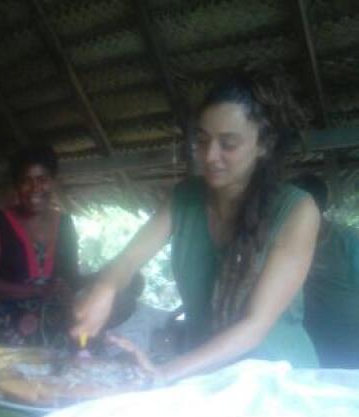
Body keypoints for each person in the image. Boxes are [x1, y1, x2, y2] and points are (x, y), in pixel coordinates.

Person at [72, 70, 321, 385]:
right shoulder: (184, 199)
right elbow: (127, 261)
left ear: (264, 145)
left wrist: (162, 374)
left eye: (228, 144)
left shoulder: (297, 210)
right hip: (203, 378)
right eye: (203, 141)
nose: (210, 156)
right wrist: (105, 288)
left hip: (277, 381)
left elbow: (254, 327)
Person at [0, 145, 82, 346]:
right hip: (8, 332)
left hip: (56, 332)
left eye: (42, 179)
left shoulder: (65, 224)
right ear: (16, 185)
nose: (35, 188)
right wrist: (38, 290)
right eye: (26, 181)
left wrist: (99, 281)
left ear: (52, 181)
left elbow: (71, 277)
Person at [291, 174, 359, 368]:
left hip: (350, 339)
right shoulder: (282, 245)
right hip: (309, 341)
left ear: (319, 207)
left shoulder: (347, 241)